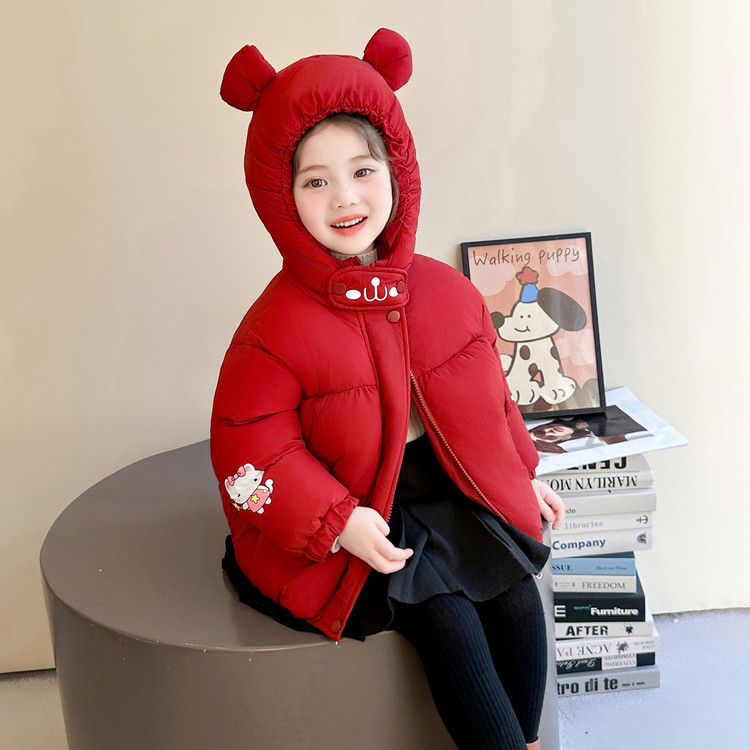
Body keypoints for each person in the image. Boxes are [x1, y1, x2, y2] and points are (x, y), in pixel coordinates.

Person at [211, 29, 565, 750]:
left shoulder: (448, 293)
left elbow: (490, 400)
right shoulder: (271, 330)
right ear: (281, 196)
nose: (344, 198)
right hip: (358, 501)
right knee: (447, 621)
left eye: (363, 170)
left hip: (446, 485)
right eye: (315, 181)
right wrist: (336, 518)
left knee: (517, 598)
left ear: (397, 170)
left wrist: (521, 471)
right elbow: (252, 447)